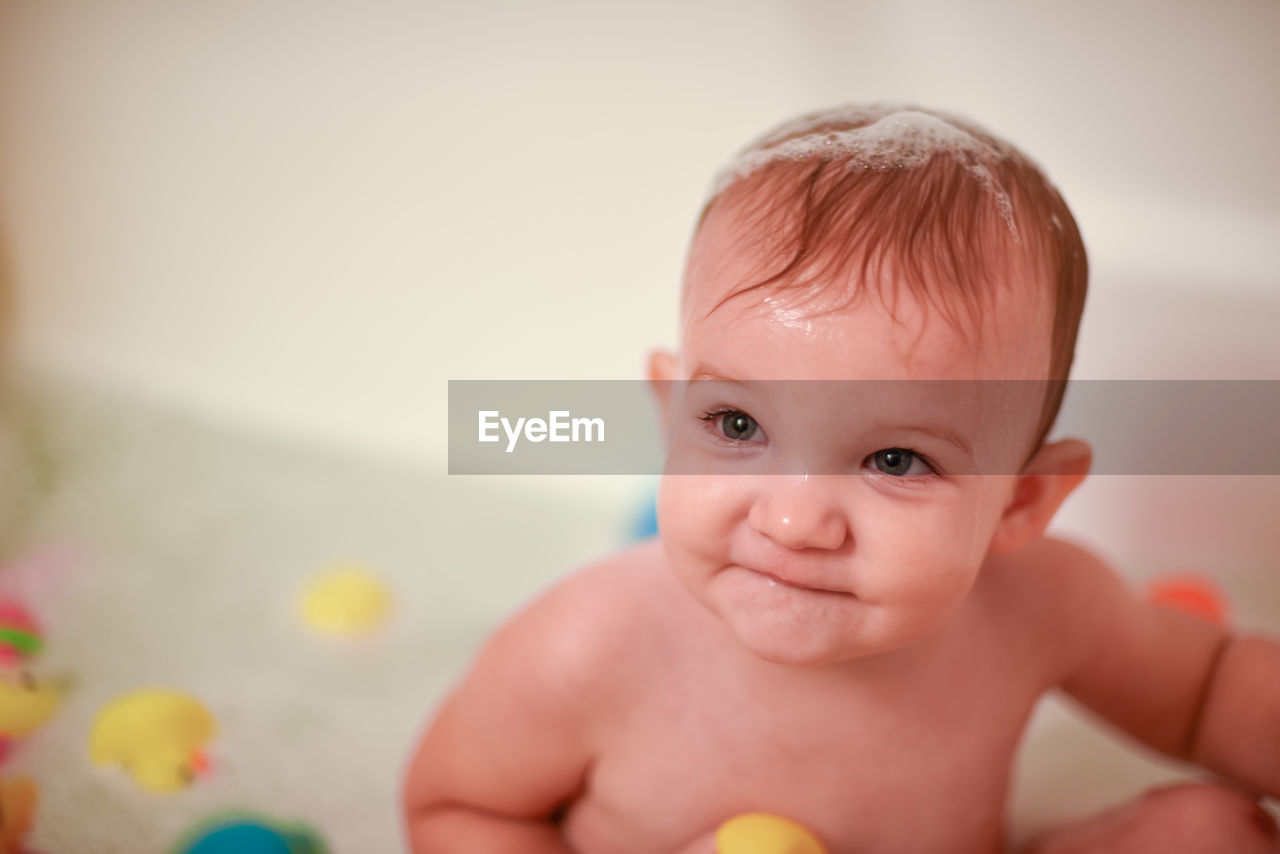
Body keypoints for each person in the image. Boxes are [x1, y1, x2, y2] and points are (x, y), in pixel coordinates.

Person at [403, 104, 1280, 853]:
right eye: (737, 425)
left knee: (1207, 831)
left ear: (1020, 501)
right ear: (672, 413)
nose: (793, 522)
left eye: (896, 460)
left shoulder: (1043, 604)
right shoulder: (588, 645)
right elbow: (455, 807)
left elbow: (1206, 692)